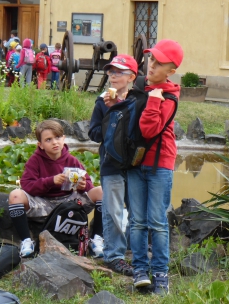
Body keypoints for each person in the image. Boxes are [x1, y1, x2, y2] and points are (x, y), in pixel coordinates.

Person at [128, 39, 182, 295]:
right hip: (136, 162)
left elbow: (150, 129)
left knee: (157, 221)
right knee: (137, 221)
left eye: (159, 63)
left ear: (170, 71)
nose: (151, 65)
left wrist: (154, 99)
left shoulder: (169, 96)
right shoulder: (140, 87)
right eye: (151, 59)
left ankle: (160, 273)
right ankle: (140, 270)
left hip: (160, 164)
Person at [8, 119, 105, 258]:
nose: (54, 142)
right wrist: (51, 181)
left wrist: (84, 186)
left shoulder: (72, 160)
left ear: (64, 139)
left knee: (101, 191)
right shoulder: (35, 161)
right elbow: (27, 186)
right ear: (40, 145)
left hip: (69, 204)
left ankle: (96, 240)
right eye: (48, 140)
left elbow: (88, 184)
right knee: (15, 195)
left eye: (58, 137)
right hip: (43, 203)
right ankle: (26, 241)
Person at [88, 54, 137, 277]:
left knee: (136, 210)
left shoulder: (138, 99)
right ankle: (114, 255)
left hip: (136, 163)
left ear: (131, 77)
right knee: (114, 210)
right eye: (111, 72)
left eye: (119, 72)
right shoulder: (102, 100)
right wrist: (112, 118)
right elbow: (94, 132)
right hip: (111, 163)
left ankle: (134, 252)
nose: (114, 76)